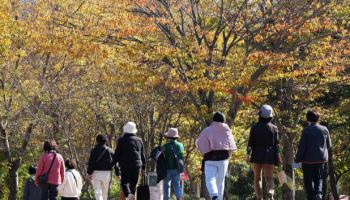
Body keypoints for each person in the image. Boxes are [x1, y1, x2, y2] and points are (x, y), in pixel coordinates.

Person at [196, 112, 237, 200]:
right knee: (220, 182)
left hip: (209, 158)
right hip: (223, 159)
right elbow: (231, 146)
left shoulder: (207, 130)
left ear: (213, 120)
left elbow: (199, 143)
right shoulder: (227, 130)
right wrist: (228, 156)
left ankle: (213, 194)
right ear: (224, 120)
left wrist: (204, 153)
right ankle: (219, 198)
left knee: (210, 179)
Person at [246, 105, 282, 200]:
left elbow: (250, 143)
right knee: (269, 178)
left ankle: (259, 198)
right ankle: (270, 193)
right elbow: (277, 144)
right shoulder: (274, 128)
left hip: (257, 154)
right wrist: (278, 156)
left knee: (257, 178)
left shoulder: (254, 127)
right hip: (269, 155)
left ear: (260, 115)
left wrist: (247, 155)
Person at [295, 110, 331, 200]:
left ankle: (311, 197)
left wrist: (298, 159)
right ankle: (318, 193)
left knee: (308, 180)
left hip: (307, 160)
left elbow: (302, 146)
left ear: (308, 119)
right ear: (318, 118)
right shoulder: (324, 129)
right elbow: (329, 145)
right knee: (319, 179)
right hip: (321, 159)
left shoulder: (306, 130)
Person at [113, 122, 146, 200]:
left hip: (125, 165)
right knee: (133, 185)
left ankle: (128, 196)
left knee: (124, 183)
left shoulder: (121, 140)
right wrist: (143, 167)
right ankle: (131, 196)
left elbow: (117, 154)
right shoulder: (139, 140)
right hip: (137, 165)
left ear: (125, 130)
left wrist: (112, 163)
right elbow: (142, 155)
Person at [87, 134, 114, 200]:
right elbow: (115, 162)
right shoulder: (110, 150)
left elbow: (91, 163)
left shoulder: (94, 150)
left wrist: (89, 173)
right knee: (105, 192)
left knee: (98, 192)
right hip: (106, 174)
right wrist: (118, 173)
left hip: (96, 173)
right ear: (106, 141)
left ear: (97, 141)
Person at [162, 128, 184, 200]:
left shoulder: (165, 146)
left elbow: (161, 155)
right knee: (177, 185)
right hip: (177, 169)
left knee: (166, 186)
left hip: (167, 169)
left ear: (168, 137)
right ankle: (179, 198)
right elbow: (181, 157)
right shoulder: (181, 145)